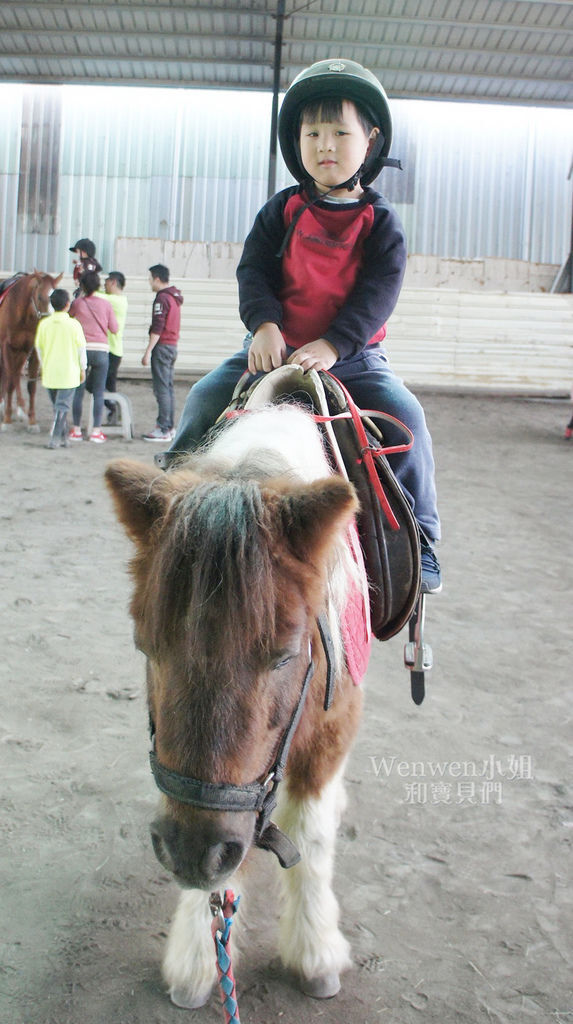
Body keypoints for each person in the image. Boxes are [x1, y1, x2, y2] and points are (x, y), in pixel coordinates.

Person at [159, 58, 441, 592]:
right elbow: (254, 271)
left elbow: (377, 294)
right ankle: (172, 499)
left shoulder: (381, 224)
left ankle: (421, 539)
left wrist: (335, 344)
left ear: (371, 139)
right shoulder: (281, 210)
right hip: (272, 347)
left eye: (340, 132)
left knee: (408, 421)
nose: (324, 144)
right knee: (202, 396)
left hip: (352, 356)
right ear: (297, 141)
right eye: (312, 133)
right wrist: (263, 324)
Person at [68, 271, 118, 443]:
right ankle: (96, 431)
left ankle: (76, 430)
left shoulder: (77, 303)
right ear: (98, 285)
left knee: (78, 391)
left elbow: (69, 320)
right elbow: (115, 328)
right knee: (98, 392)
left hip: (81, 350)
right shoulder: (106, 304)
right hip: (101, 351)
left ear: (82, 285)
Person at [34, 288, 87, 449]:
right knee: (62, 407)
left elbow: (39, 348)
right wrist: (82, 368)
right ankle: (55, 439)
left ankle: (63, 438)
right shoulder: (74, 324)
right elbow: (81, 349)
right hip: (69, 372)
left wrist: (43, 365)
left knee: (57, 407)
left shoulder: (44, 324)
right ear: (67, 304)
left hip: (50, 372)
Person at [141, 264, 183, 442]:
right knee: (168, 388)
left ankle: (164, 427)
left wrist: (147, 351)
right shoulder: (174, 297)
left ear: (157, 279)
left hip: (163, 347)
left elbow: (158, 327)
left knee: (162, 389)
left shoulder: (162, 299)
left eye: (150, 279)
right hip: (172, 346)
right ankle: (170, 427)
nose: (149, 282)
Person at [99, 271, 128, 424]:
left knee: (100, 384)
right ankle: (113, 413)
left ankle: (113, 409)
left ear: (114, 282)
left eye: (106, 283)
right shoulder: (114, 299)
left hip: (113, 350)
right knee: (109, 385)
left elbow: (97, 297)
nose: (104, 286)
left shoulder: (118, 301)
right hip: (112, 350)